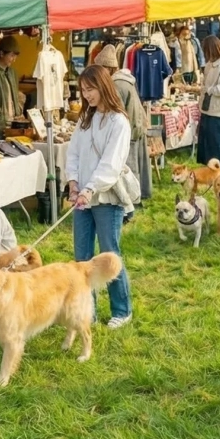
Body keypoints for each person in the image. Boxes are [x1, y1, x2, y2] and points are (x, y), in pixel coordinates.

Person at [65, 65, 133, 329]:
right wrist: (73, 183)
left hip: (106, 199)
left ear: (103, 86)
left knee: (109, 255)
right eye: (83, 90)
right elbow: (73, 153)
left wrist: (90, 188)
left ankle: (122, 309)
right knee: (82, 258)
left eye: (90, 89)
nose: (86, 95)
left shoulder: (118, 122)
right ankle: (87, 311)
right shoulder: (85, 119)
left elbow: (111, 163)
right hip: (82, 198)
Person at [95, 44, 151, 203]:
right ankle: (137, 197)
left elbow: (115, 111)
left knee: (128, 169)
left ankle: (130, 201)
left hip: (128, 129)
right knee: (135, 165)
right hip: (135, 125)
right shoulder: (125, 80)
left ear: (107, 68)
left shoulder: (116, 84)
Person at [196, 35, 220, 173]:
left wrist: (208, 89)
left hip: (218, 110)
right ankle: (209, 169)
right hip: (206, 108)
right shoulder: (208, 66)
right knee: (206, 142)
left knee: (217, 143)